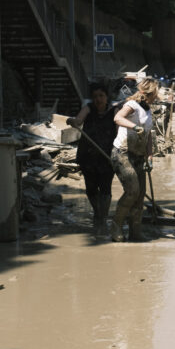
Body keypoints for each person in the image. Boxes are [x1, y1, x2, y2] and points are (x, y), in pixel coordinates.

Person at [66, 82, 118, 235]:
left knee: (106, 188)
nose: (98, 99)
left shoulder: (114, 111)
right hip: (87, 155)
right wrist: (72, 121)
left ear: (107, 97)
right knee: (90, 189)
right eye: (95, 96)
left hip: (107, 155)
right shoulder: (88, 108)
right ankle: (97, 212)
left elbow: (118, 130)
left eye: (101, 96)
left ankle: (103, 217)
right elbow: (78, 120)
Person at [110, 77, 158, 242]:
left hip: (138, 155)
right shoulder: (132, 105)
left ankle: (135, 232)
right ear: (146, 94)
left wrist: (150, 156)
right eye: (155, 94)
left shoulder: (147, 109)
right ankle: (116, 225)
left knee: (140, 195)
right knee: (132, 191)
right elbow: (117, 118)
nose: (156, 97)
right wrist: (134, 126)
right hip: (122, 153)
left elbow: (148, 135)